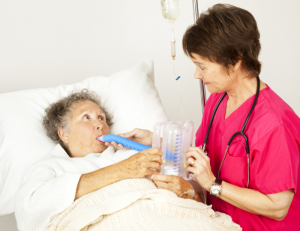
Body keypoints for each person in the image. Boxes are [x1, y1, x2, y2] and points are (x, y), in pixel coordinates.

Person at [108, 4, 300, 231]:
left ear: (236, 60)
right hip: (214, 220)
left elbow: (278, 207)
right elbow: (204, 156)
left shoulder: (274, 125)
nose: (196, 75)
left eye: (202, 66)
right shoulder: (218, 100)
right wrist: (157, 140)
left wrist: (212, 185)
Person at [14, 89, 164, 231]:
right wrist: (122, 170)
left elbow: (181, 169)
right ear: (64, 133)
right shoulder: (48, 167)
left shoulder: (132, 156)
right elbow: (30, 213)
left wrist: (158, 142)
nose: (99, 124)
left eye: (101, 118)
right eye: (86, 117)